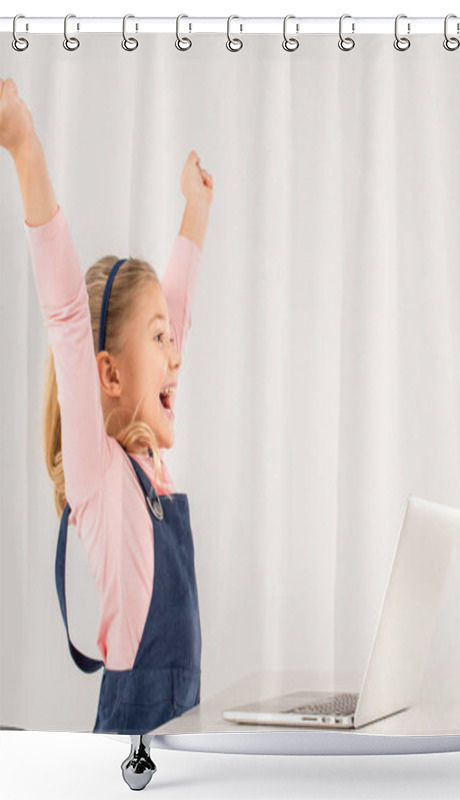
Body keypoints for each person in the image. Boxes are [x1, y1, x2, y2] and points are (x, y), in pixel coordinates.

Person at [0, 75, 214, 734]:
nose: (177, 355)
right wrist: (25, 149)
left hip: (178, 742)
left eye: (170, 339)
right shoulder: (101, 475)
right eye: (158, 340)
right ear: (108, 375)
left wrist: (195, 214)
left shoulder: (150, 471)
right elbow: (67, 311)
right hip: (133, 748)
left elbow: (170, 319)